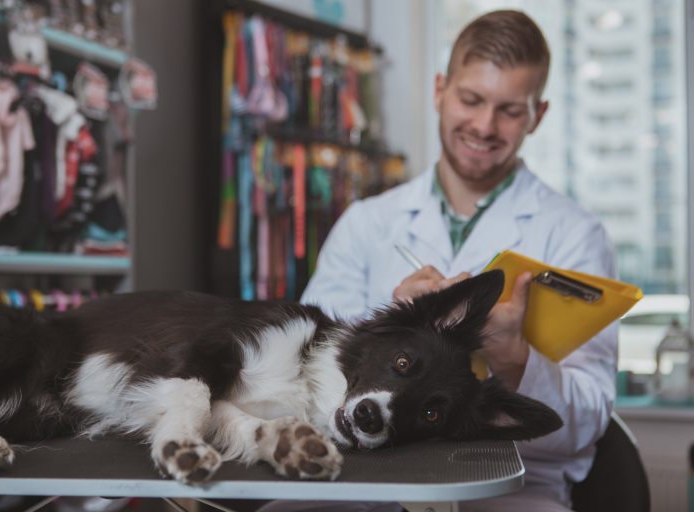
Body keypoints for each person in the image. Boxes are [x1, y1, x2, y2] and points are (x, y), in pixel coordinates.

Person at [259, 9, 618, 512]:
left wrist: (516, 362)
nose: (484, 125)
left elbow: (587, 424)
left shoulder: (576, 235)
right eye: (471, 100)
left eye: (510, 110)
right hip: (358, 476)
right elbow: (302, 363)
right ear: (439, 91)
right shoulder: (367, 222)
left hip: (511, 488)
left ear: (538, 115)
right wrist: (393, 326)